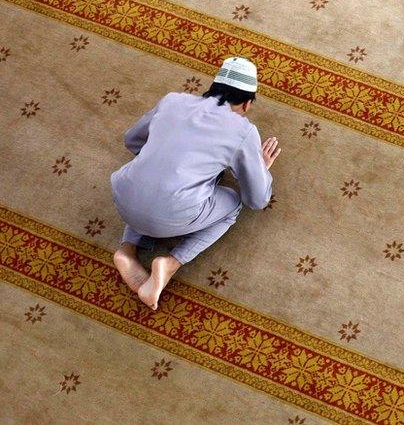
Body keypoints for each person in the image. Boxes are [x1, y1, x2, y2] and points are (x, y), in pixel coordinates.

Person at [109, 56, 281, 310]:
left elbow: (132, 140)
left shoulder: (172, 100)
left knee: (152, 174)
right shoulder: (243, 131)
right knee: (233, 203)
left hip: (122, 195)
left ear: (213, 86)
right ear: (247, 104)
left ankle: (127, 249)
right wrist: (260, 169)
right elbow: (256, 199)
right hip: (171, 213)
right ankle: (170, 263)